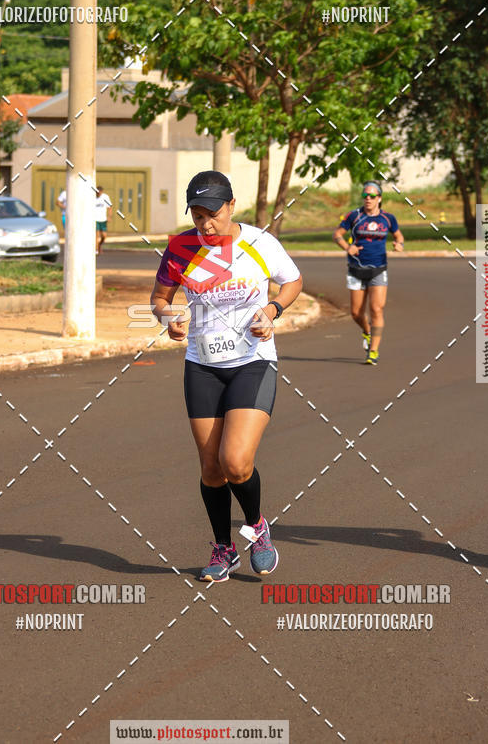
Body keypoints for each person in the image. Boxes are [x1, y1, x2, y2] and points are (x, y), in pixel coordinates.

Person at [151, 170, 303, 582]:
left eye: (212, 213)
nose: (205, 223)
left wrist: (272, 312)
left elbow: (292, 281)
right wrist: (168, 317)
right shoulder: (181, 248)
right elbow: (160, 298)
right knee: (211, 468)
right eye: (197, 214)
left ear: (231, 206)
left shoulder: (259, 243)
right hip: (202, 364)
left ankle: (257, 528)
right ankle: (224, 548)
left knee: (235, 461)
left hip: (253, 360)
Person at [333, 181, 405, 365]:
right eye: (365, 195)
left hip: (379, 269)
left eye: (372, 196)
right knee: (356, 313)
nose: (368, 199)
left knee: (376, 309)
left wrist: (399, 245)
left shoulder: (388, 219)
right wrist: (347, 247)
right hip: (356, 269)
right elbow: (337, 234)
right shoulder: (354, 216)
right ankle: (367, 330)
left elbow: (398, 235)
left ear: (379, 199)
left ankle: (373, 351)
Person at [95, 186, 113, 254]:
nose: (98, 194)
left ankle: (99, 245)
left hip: (103, 219)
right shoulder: (92, 197)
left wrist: (109, 216)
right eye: (97, 192)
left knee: (104, 236)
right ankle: (96, 250)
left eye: (99, 192)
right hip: (95, 219)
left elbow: (110, 207)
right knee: (96, 235)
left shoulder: (105, 197)